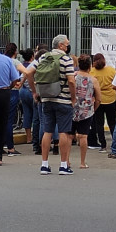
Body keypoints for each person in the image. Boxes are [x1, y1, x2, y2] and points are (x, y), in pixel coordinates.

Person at [27, 35, 76, 175]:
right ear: (60, 45)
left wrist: (34, 92)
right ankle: (63, 165)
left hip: (47, 99)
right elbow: (71, 81)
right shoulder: (67, 59)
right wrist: (73, 98)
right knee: (63, 132)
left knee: (47, 131)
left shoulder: (43, 57)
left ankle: (44, 165)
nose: (67, 47)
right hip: (63, 100)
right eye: (66, 44)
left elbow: (29, 73)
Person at [73, 54, 102, 169]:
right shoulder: (93, 80)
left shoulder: (73, 77)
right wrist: (93, 108)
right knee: (84, 136)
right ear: (90, 66)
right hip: (87, 110)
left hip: (72, 109)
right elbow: (99, 98)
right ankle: (82, 162)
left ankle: (67, 161)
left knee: (68, 136)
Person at [89, 53, 116, 152]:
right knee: (112, 122)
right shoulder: (111, 70)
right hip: (111, 99)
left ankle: (103, 145)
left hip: (98, 100)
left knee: (99, 123)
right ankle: (115, 144)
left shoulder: (92, 72)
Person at [3, 42, 22, 156]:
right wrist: (19, 82)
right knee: (9, 120)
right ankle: (10, 147)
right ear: (15, 51)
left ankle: (2, 143)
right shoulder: (15, 62)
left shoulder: (1, 60)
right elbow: (26, 72)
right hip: (12, 91)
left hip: (0, 91)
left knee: (1, 120)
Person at [18, 48, 35, 147]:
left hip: (22, 91)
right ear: (32, 56)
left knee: (26, 113)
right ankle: (36, 135)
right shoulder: (34, 65)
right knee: (37, 116)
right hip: (31, 91)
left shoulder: (21, 65)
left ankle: (28, 137)